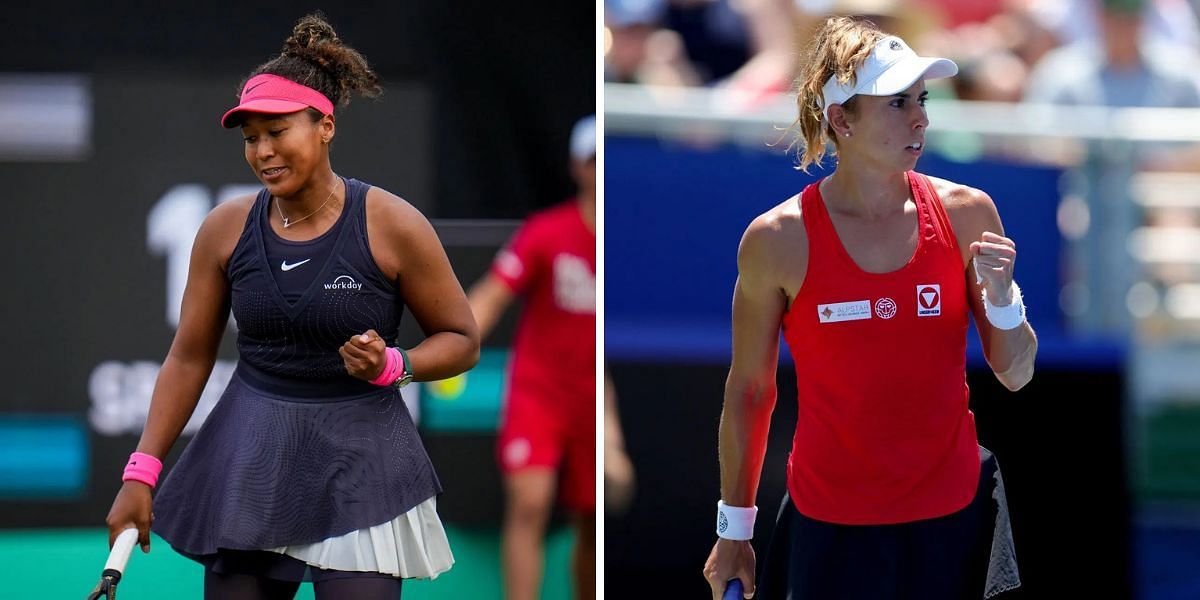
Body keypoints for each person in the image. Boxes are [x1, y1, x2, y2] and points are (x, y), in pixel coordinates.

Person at [104, 13, 479, 600]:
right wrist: (141, 471)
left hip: (361, 456)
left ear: (324, 125)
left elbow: (462, 339)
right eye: (251, 137)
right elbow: (188, 357)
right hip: (251, 455)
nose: (262, 151)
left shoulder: (393, 224)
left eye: (278, 131)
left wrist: (395, 366)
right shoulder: (225, 229)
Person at [702, 17, 1036, 600]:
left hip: (954, 517)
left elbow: (1015, 372)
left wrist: (1005, 299)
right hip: (830, 526)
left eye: (922, 99)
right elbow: (751, 391)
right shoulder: (776, 239)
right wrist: (735, 529)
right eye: (898, 102)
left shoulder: (968, 214)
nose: (921, 118)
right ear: (841, 119)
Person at [466, 115, 596, 600]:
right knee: (529, 501)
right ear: (576, 167)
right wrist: (458, 338)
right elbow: (493, 295)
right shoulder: (546, 231)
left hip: (592, 400)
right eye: (591, 160)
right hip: (539, 393)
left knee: (592, 522)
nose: (599, 170)